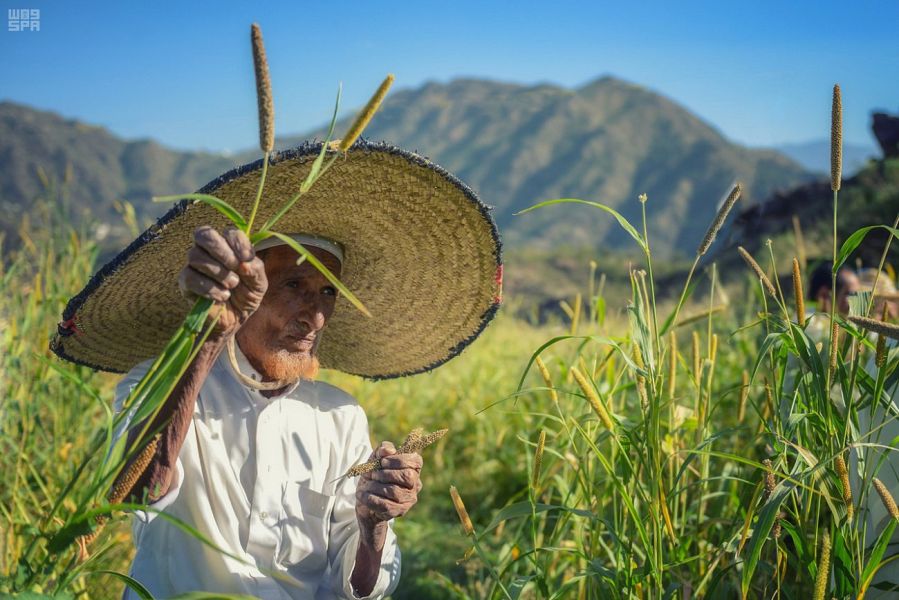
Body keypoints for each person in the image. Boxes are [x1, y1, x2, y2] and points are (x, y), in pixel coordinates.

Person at [51, 142, 503, 599]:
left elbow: (361, 588)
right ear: (244, 290)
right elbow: (137, 494)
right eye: (294, 285)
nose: (315, 315)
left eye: (328, 293)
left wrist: (372, 526)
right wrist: (208, 337)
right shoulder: (160, 383)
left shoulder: (339, 416)